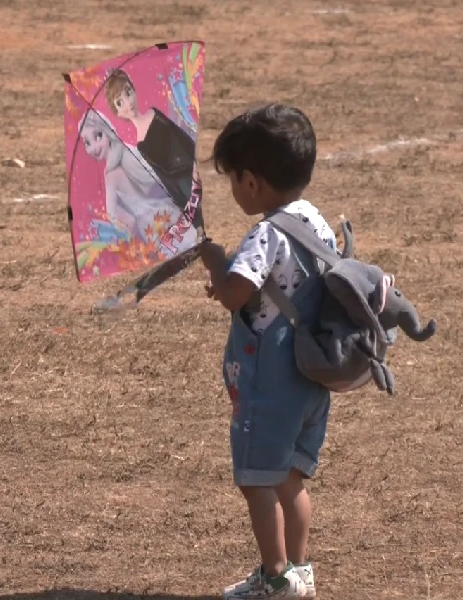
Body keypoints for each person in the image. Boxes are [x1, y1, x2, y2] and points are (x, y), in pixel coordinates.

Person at [198, 103, 337, 599]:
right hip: (310, 374)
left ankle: (276, 575)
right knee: (291, 479)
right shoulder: (314, 220)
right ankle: (300, 572)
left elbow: (238, 292)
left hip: (270, 378)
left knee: (257, 479)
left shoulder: (266, 231)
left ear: (252, 182)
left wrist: (218, 273)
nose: (234, 190)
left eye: (233, 180)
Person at [77, 109, 197, 254]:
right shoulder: (130, 151)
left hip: (151, 226)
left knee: (177, 253)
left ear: (107, 131)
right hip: (166, 210)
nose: (94, 147)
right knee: (192, 243)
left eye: (98, 136)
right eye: (87, 143)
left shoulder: (110, 176)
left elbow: (112, 216)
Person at [103, 68, 201, 220]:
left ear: (134, 91)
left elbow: (179, 136)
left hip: (190, 168)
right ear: (117, 113)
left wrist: (193, 162)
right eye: (120, 102)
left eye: (128, 93)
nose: (128, 104)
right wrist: (180, 201)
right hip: (181, 184)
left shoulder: (153, 113)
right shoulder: (140, 143)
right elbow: (164, 176)